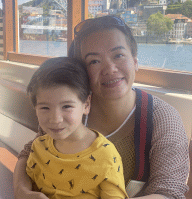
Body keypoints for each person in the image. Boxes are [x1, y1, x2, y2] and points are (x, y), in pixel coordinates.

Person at [14, 15, 189, 199]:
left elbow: (170, 193)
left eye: (118, 55)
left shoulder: (162, 118)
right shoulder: (71, 109)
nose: (110, 68)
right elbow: (29, 152)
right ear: (80, 72)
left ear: (135, 60)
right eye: (94, 61)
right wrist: (21, 191)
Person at [24, 57, 128, 199]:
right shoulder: (38, 146)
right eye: (45, 107)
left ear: (86, 105)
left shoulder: (106, 155)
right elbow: (29, 187)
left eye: (66, 106)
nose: (55, 119)